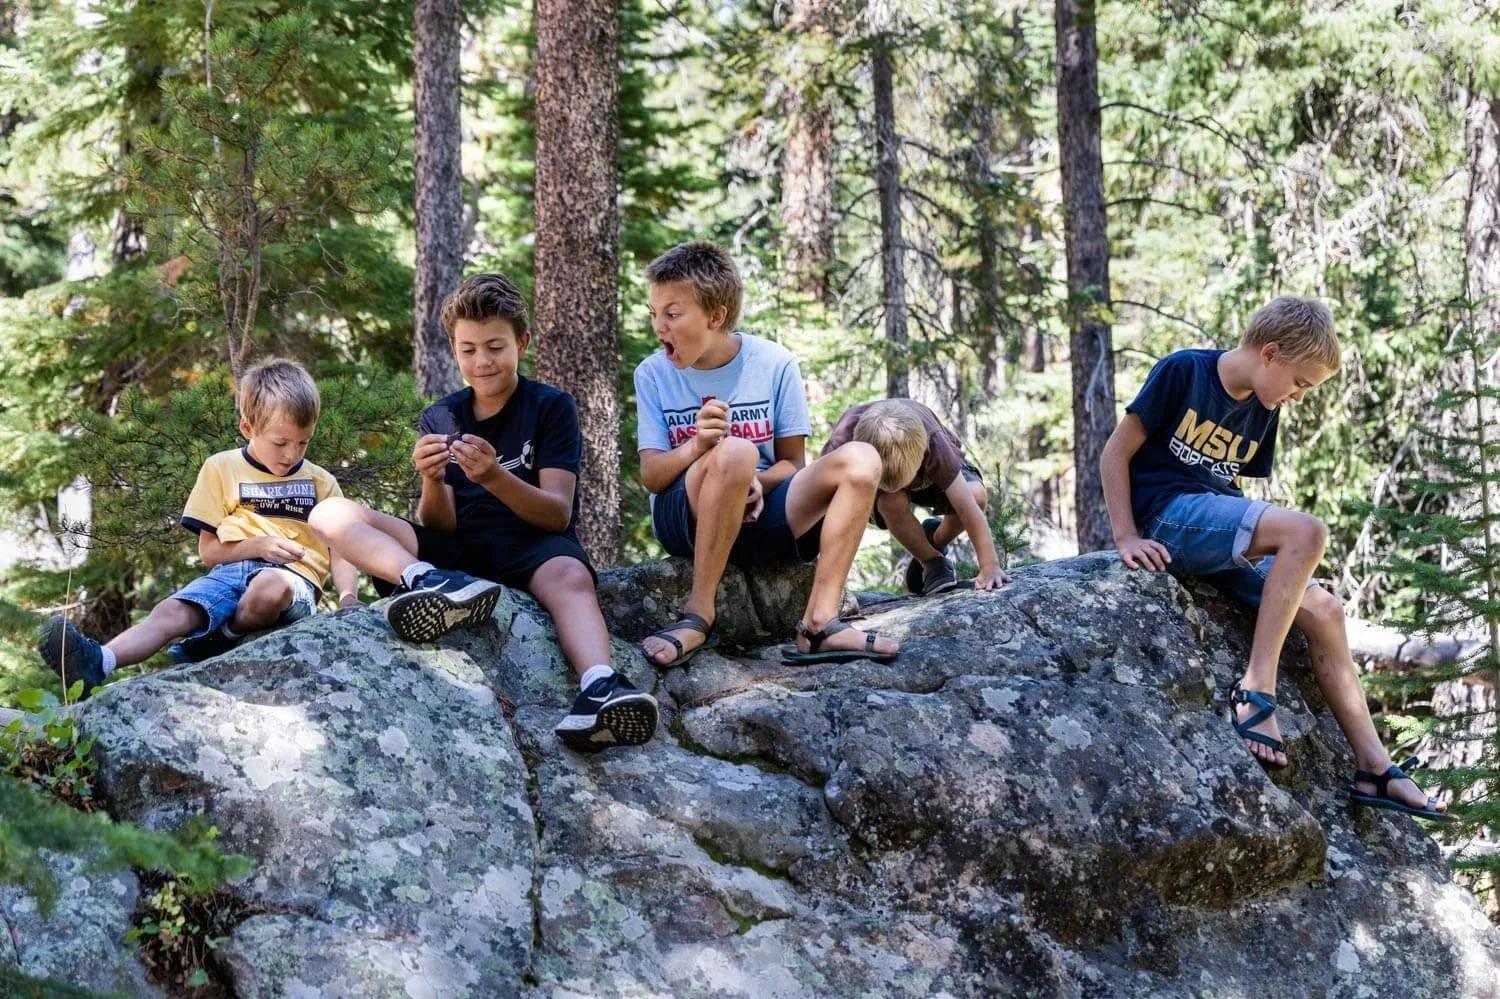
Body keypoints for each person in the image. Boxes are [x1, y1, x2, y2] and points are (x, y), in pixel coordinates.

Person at [1099, 296, 1449, 821]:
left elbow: (1226, 483)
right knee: (1308, 531)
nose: (1298, 396)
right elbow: (1114, 453)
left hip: (1212, 527)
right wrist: (1125, 537)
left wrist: (1270, 561)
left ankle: (1374, 767)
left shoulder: (1264, 409)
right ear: (1270, 353)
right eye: (1300, 383)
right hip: (1166, 515)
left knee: (1325, 610)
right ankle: (1255, 689)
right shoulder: (1184, 371)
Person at [307, 273, 657, 752]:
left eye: (495, 346)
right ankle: (425, 582)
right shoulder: (442, 416)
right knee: (329, 513)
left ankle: (600, 687)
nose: (482, 361)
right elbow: (440, 524)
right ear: (453, 348)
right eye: (468, 349)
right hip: (460, 559)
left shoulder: (551, 407)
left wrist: (494, 476)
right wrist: (432, 479)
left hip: (534, 545)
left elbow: (556, 515)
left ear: (522, 343)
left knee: (570, 577)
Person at [634, 240, 899, 668]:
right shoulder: (652, 373)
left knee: (862, 458)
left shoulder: (774, 363)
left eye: (672, 313)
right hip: (685, 514)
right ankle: (698, 615)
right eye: (655, 314)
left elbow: (792, 464)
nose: (659, 327)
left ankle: (820, 623)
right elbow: (652, 476)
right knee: (736, 452)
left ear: (716, 316)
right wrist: (699, 447)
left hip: (759, 515)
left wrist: (759, 483)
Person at [39, 358, 358, 697]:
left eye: (303, 442)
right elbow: (208, 552)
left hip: (294, 582)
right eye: (281, 442)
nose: (292, 454)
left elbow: (341, 549)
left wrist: (348, 597)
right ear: (248, 428)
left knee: (270, 586)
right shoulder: (221, 467)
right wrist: (258, 546)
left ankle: (223, 637)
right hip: (228, 575)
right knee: (171, 610)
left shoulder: (320, 482)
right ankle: (98, 662)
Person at [822, 398, 1010, 594]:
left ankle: (933, 539)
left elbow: (967, 506)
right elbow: (829, 514)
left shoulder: (935, 444)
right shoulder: (842, 446)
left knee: (976, 495)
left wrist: (989, 566)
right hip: (879, 478)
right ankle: (931, 560)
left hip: (927, 467)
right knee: (890, 502)